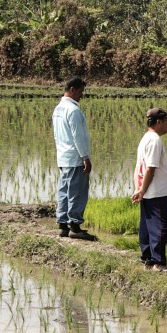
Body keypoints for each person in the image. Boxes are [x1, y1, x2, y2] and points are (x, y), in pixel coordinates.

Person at [131, 108, 167, 271]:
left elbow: (138, 168)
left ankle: (148, 259)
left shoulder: (145, 139)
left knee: (148, 226)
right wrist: (141, 190)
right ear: (159, 122)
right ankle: (158, 262)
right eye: (166, 121)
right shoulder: (155, 140)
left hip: (148, 191)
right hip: (156, 191)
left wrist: (139, 188)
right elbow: (150, 168)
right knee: (162, 226)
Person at [52, 76, 95, 240]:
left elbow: (57, 136)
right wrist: (85, 157)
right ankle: (75, 227)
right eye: (80, 91)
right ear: (72, 90)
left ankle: (63, 225)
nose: (81, 95)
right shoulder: (73, 110)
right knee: (76, 192)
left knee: (63, 191)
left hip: (63, 157)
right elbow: (78, 137)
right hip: (75, 158)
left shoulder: (58, 109)